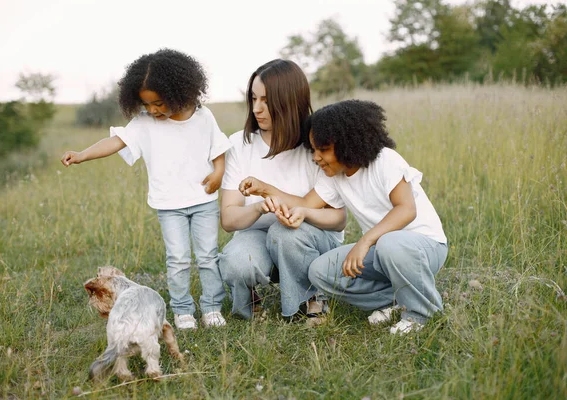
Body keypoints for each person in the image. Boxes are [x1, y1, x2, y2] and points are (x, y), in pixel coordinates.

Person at [60, 48, 232, 330]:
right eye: (146, 104)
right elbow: (115, 142)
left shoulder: (204, 117)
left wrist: (219, 173)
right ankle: (183, 310)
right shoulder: (144, 123)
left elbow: (219, 148)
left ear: (180, 93)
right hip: (168, 205)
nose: (153, 110)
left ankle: (212, 307)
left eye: (159, 104)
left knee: (208, 257)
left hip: (203, 201)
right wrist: (82, 154)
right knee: (177, 259)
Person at [249, 99, 447, 334]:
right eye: (314, 151)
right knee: (321, 272)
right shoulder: (335, 175)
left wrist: (365, 242)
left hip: (424, 247)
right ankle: (396, 300)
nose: (316, 158)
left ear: (347, 143)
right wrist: (265, 189)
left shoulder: (386, 160)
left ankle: (421, 314)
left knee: (389, 243)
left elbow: (406, 209)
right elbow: (305, 204)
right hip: (382, 250)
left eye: (323, 150)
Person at [219, 59, 345, 321]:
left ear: (289, 101)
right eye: (253, 98)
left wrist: (277, 197)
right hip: (257, 236)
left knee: (284, 233)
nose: (256, 108)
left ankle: (311, 299)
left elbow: (338, 219)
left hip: (312, 240)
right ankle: (250, 301)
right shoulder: (238, 146)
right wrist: (256, 207)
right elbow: (229, 220)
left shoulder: (316, 145)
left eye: (266, 100)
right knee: (236, 262)